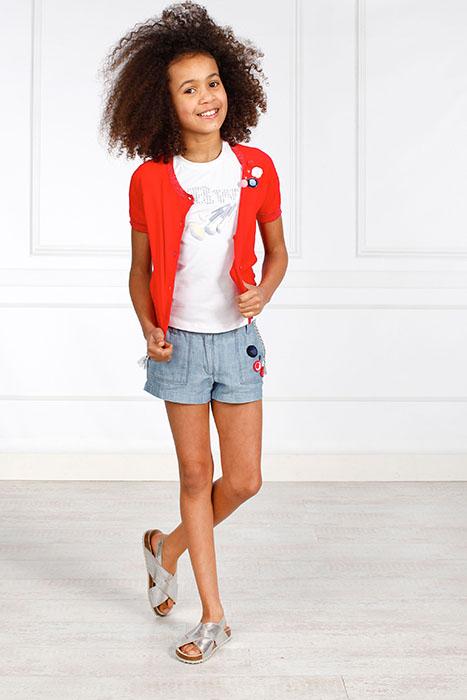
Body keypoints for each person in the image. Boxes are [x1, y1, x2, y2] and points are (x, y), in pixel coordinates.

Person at [99, 0, 288, 664]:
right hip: (177, 344)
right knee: (195, 473)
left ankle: (168, 546)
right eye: (188, 89)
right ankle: (212, 617)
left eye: (212, 82)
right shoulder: (149, 179)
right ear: (163, 103)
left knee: (243, 480)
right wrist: (148, 327)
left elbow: (277, 253)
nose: (207, 97)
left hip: (236, 341)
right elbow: (139, 270)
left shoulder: (256, 167)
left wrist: (265, 290)